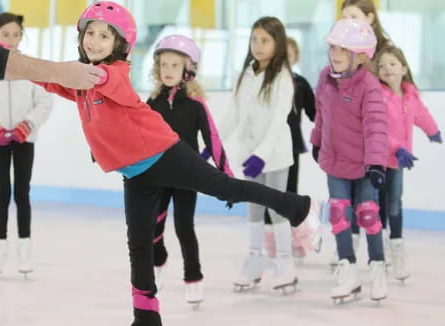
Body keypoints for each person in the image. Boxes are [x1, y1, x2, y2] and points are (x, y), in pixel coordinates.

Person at [34, 2, 322, 325]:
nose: (95, 41)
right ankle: (146, 318)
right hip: (135, 171)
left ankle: (299, 206)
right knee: (139, 245)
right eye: (90, 33)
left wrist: (66, 72)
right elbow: (52, 80)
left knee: (225, 187)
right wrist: (16, 65)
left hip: (164, 153)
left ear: (120, 44)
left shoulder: (112, 74)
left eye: (105, 36)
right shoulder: (84, 82)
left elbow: (100, 80)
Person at [214, 16, 321, 294]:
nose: (258, 46)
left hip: (274, 154)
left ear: (278, 44)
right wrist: (213, 142)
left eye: (265, 40)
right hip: (249, 154)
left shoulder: (283, 77)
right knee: (253, 208)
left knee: (277, 208)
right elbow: (234, 113)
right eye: (254, 40)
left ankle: (285, 263)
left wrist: (261, 154)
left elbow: (278, 120)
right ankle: (254, 259)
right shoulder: (245, 73)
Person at [147, 34, 233, 305]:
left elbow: (213, 140)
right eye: (164, 65)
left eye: (174, 65)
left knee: (184, 228)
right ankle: (157, 263)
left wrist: (226, 178)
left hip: (186, 178)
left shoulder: (196, 105)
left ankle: (193, 277)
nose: (168, 70)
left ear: (188, 69)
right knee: (153, 228)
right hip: (158, 177)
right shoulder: (152, 104)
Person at [310, 19, 389, 302]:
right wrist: (317, 140)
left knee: (368, 215)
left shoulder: (368, 84)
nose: (336, 55)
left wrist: (377, 163)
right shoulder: (325, 78)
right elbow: (322, 114)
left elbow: (376, 125)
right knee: (339, 215)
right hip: (336, 161)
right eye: (333, 48)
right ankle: (347, 269)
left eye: (343, 50)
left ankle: (378, 267)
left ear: (359, 55)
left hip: (365, 164)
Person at [0, 12, 53, 278]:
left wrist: (26, 126)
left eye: (16, 34)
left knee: (22, 193)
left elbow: (44, 101)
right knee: (1, 193)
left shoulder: (29, 67)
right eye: (5, 34)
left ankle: (25, 249)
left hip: (24, 140)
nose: (11, 39)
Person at [375, 45, 442, 281]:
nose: (387, 69)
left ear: (404, 68)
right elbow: (379, 129)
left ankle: (397, 249)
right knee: (380, 205)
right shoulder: (379, 96)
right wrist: (397, 147)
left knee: (395, 203)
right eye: (381, 65)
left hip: (399, 161)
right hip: (379, 159)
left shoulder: (411, 95)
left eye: (392, 64)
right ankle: (381, 252)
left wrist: (432, 131)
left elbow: (421, 114)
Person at [337, 0, 393, 265]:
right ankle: (350, 247)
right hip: (350, 139)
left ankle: (380, 254)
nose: (347, 20)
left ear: (370, 18)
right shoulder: (340, 52)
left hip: (381, 138)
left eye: (354, 15)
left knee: (377, 198)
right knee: (346, 198)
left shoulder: (383, 53)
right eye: (344, 15)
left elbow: (399, 91)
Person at [263, 36, 317, 263]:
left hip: (292, 145)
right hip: (266, 147)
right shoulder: (266, 81)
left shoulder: (301, 84)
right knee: (267, 192)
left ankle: (293, 237)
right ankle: (269, 239)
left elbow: (315, 114)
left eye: (290, 52)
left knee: (290, 191)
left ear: (295, 57)